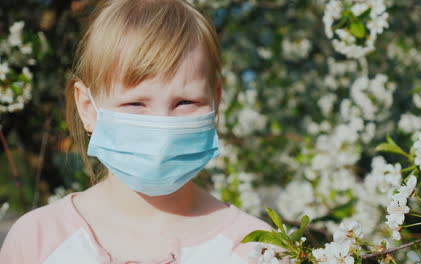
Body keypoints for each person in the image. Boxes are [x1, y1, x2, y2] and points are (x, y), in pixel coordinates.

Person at [0, 0, 284, 263]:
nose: (162, 127)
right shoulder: (37, 241)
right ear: (87, 108)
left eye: (185, 102)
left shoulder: (258, 250)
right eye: (135, 103)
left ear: (215, 101)